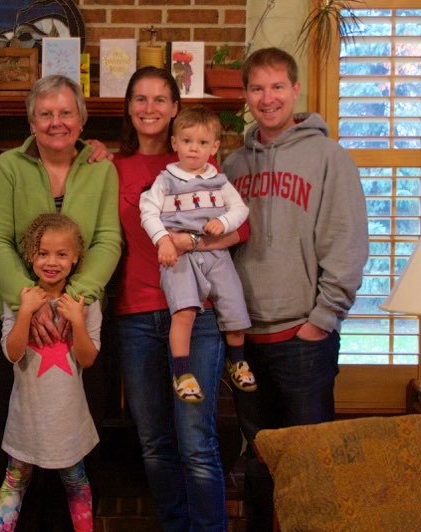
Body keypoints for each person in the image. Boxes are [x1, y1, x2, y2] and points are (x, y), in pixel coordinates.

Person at [222, 47, 368, 530]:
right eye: (258, 88)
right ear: (245, 95)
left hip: (302, 340)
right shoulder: (233, 167)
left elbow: (346, 245)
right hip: (244, 341)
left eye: (277, 86)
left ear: (295, 89)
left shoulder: (328, 157)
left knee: (308, 466)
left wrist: (321, 322)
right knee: (259, 465)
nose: (268, 98)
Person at [0, 74, 122, 531]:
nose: (56, 122)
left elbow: (107, 241)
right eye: (45, 113)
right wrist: (33, 302)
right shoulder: (7, 167)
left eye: (66, 112)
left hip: (79, 321)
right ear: (30, 121)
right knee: (17, 447)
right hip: (17, 320)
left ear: (82, 118)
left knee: (74, 449)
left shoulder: (102, 167)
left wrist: (72, 301)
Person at [113, 66, 246, 531]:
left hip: (196, 314)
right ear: (128, 108)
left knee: (196, 439)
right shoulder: (111, 167)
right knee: (153, 441)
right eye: (140, 99)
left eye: (160, 100)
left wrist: (187, 242)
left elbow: (238, 228)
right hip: (134, 316)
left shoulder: (201, 168)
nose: (149, 108)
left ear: (174, 110)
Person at [139, 106, 254, 403]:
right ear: (175, 143)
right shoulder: (165, 180)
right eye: (187, 141)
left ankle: (237, 360)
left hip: (214, 253)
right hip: (178, 257)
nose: (194, 149)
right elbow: (148, 212)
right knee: (184, 311)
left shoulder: (219, 180)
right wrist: (163, 241)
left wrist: (224, 222)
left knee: (234, 305)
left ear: (214, 147)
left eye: (203, 143)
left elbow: (241, 209)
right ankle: (182, 370)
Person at [0, 213, 99, 532]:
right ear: (30, 256)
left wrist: (78, 322)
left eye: (61, 254)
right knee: (14, 482)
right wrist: (25, 311)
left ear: (76, 257)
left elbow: (88, 358)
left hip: (68, 420)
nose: (51, 262)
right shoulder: (19, 299)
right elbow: (12, 353)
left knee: (77, 484)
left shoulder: (85, 303)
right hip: (27, 417)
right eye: (43, 253)